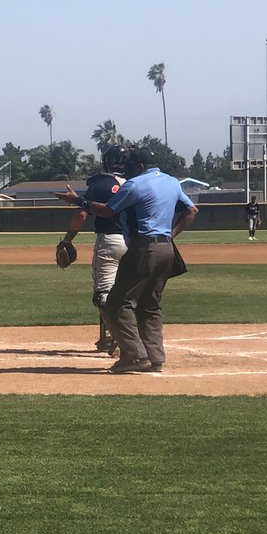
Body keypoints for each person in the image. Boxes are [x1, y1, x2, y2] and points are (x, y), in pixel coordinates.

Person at [65, 146, 198, 374]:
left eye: (130, 165)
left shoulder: (135, 184)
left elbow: (108, 211)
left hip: (143, 248)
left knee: (116, 303)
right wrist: (171, 234)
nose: (127, 168)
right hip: (167, 248)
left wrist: (79, 201)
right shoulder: (171, 182)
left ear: (139, 166)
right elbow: (192, 210)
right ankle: (155, 358)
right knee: (150, 304)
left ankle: (135, 356)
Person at [56, 145, 129, 354]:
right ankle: (108, 337)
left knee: (103, 295)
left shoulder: (102, 183)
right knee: (127, 293)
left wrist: (68, 240)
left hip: (109, 241)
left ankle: (120, 339)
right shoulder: (135, 182)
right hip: (135, 242)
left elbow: (81, 215)